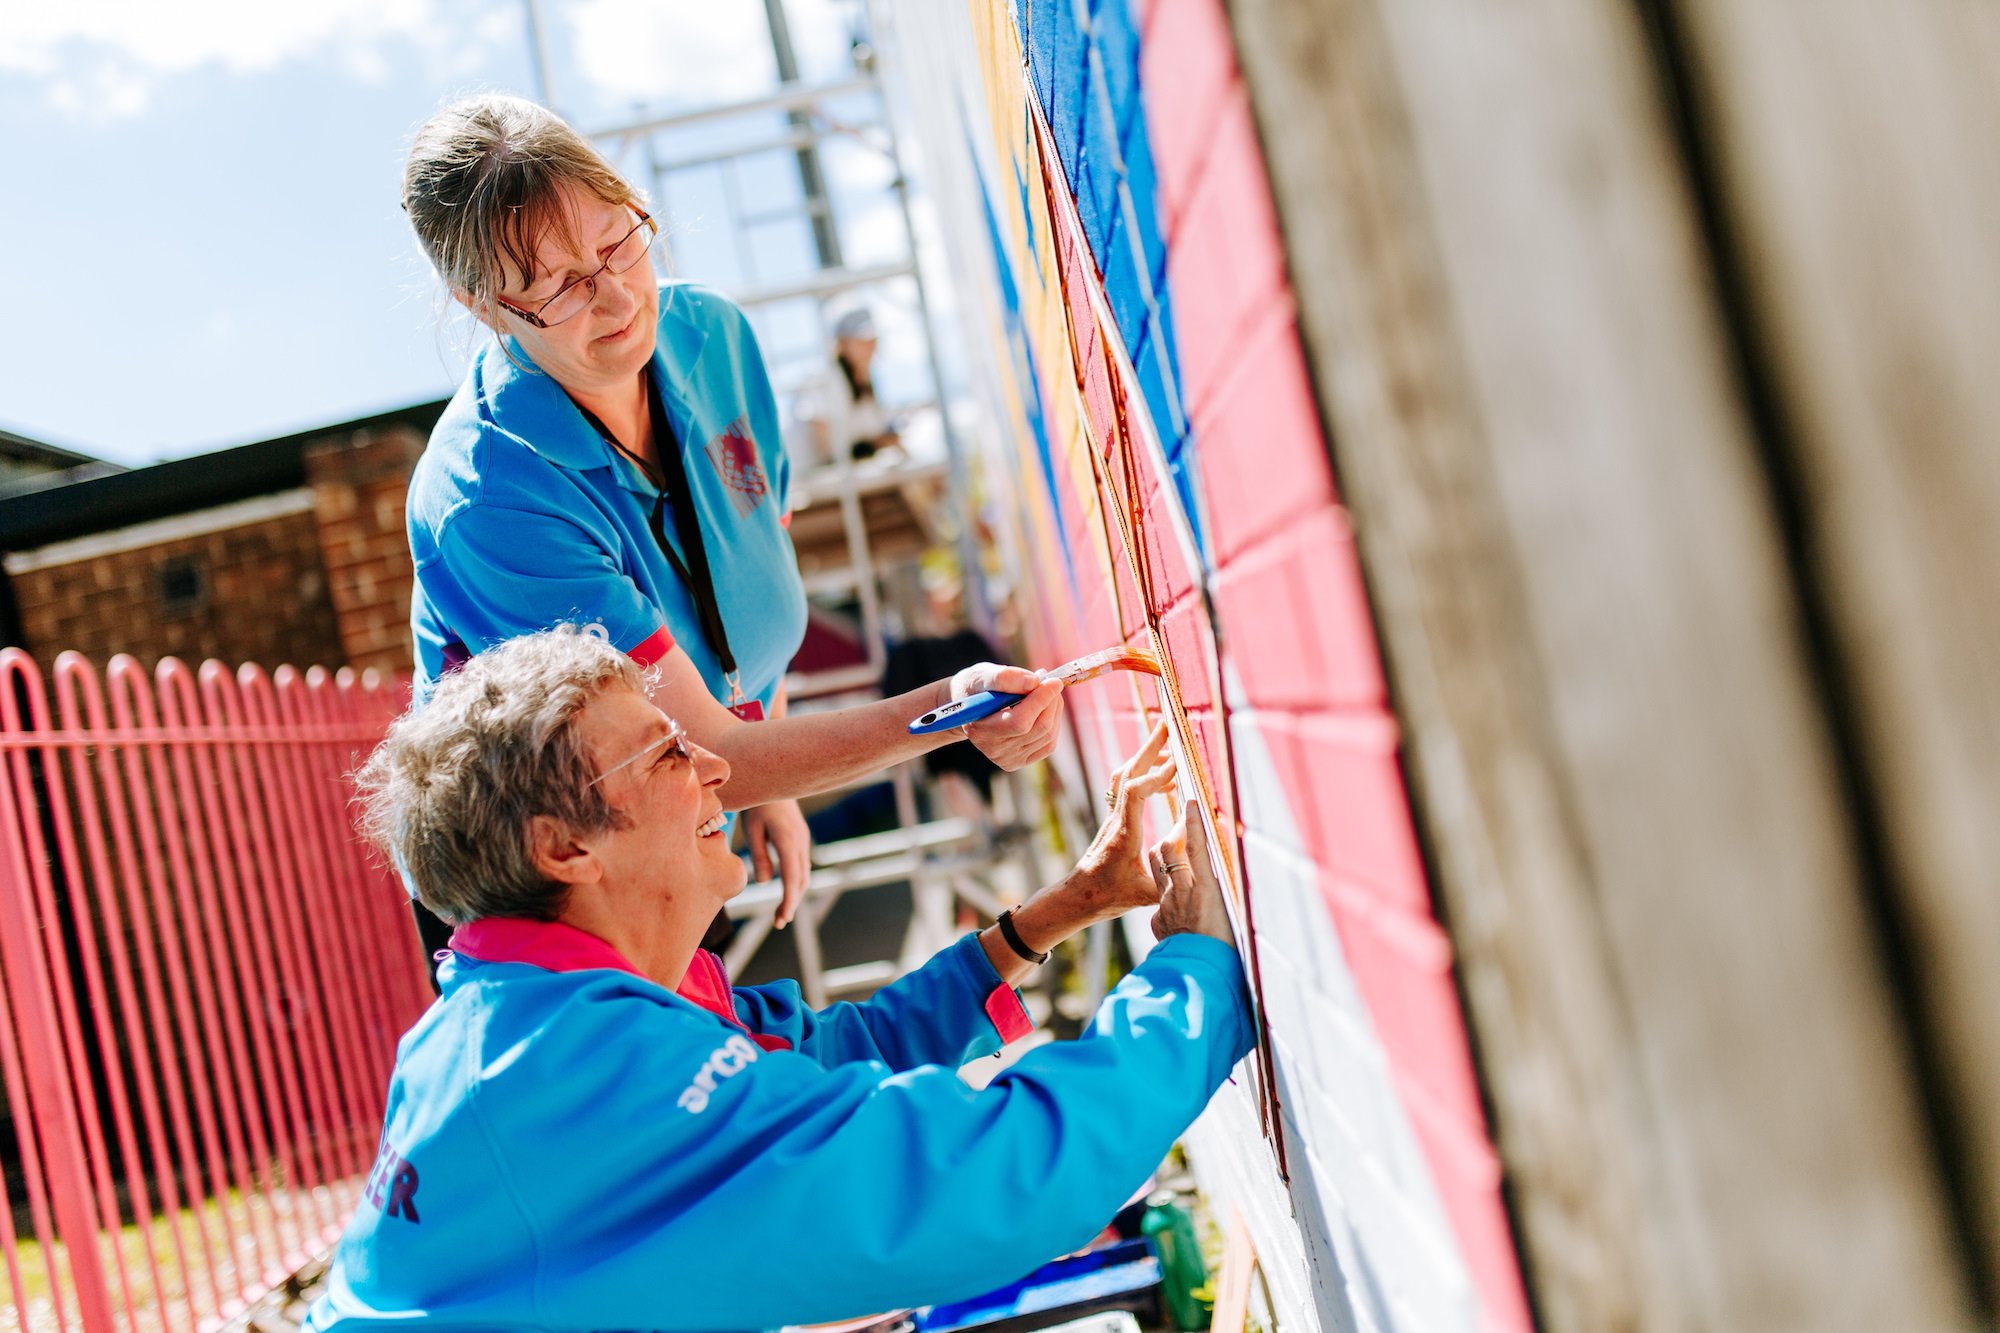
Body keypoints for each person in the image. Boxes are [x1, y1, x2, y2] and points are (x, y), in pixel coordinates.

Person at [305, 628, 1250, 1332]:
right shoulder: (589, 1067)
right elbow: (976, 1182)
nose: (717, 764)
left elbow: (833, 1056)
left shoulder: (551, 1009)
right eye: (668, 752)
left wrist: (1069, 903)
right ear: (565, 848)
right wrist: (1193, 976)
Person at [397, 94, 1062, 942]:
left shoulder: (711, 334)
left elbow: (753, 602)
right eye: (562, 286)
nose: (619, 298)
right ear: (483, 305)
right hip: (550, 902)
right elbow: (680, 747)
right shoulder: (490, 498)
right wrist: (942, 712)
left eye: (619, 240)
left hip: (674, 810)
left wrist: (769, 770)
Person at [797, 305, 903, 468]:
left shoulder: (865, 381)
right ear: (842, 343)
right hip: (824, 478)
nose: (871, 348)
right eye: (862, 342)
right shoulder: (823, 379)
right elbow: (826, 450)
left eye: (873, 341)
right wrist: (873, 445)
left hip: (856, 472)